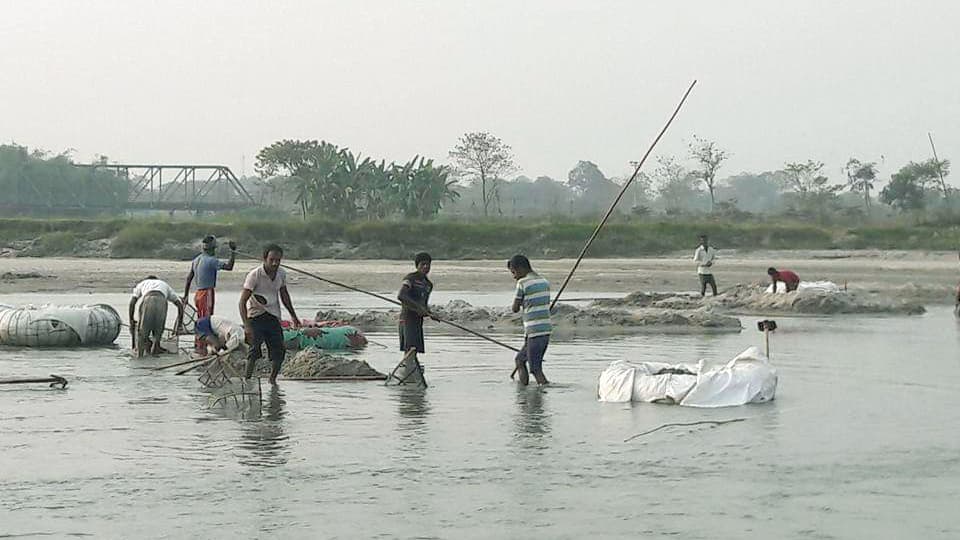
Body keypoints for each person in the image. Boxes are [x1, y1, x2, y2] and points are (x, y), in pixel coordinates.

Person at [239, 244, 301, 384]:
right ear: (264, 259)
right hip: (256, 316)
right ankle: (246, 380)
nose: (275, 263)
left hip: (273, 316)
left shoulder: (281, 273)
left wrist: (293, 316)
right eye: (272, 260)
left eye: (278, 260)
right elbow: (242, 302)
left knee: (279, 351)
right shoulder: (254, 275)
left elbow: (284, 295)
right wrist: (247, 326)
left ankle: (272, 381)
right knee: (254, 351)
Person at [184, 235, 236, 352]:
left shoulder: (196, 260)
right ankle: (203, 348)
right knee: (206, 321)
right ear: (212, 249)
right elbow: (229, 267)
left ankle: (199, 344)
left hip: (197, 294)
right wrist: (233, 252)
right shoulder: (212, 261)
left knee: (200, 320)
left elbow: (189, 278)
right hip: (206, 293)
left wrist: (186, 295)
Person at [508, 254, 551, 386]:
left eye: (514, 272)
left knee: (535, 369)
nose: (514, 277)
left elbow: (515, 308)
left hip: (535, 332)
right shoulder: (544, 281)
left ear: (521, 269)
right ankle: (523, 391)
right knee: (520, 360)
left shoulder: (522, 283)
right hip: (544, 330)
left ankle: (542, 391)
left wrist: (522, 303)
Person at [396, 252, 433, 379]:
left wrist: (430, 313)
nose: (425, 267)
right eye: (423, 264)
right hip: (407, 319)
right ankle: (408, 375)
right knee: (409, 349)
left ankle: (411, 374)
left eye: (428, 265)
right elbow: (401, 296)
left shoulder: (428, 285)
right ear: (417, 266)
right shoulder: (410, 279)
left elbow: (424, 305)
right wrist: (418, 307)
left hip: (418, 321)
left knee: (415, 350)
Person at [129, 275, 184, 357]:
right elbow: (180, 305)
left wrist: (131, 320)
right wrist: (179, 324)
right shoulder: (164, 284)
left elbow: (132, 302)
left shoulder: (143, 283)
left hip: (148, 299)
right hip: (162, 301)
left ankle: (140, 358)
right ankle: (155, 352)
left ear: (147, 279)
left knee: (142, 334)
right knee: (158, 334)